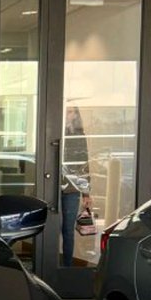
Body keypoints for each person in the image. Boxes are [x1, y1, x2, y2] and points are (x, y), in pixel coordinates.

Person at [60, 105, 93, 266]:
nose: (67, 114)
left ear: (75, 115)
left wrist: (86, 193)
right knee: (50, 227)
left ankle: (66, 266)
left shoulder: (79, 136)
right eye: (66, 110)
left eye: (71, 111)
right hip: (51, 184)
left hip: (72, 188)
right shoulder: (53, 130)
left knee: (68, 229)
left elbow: (83, 165)